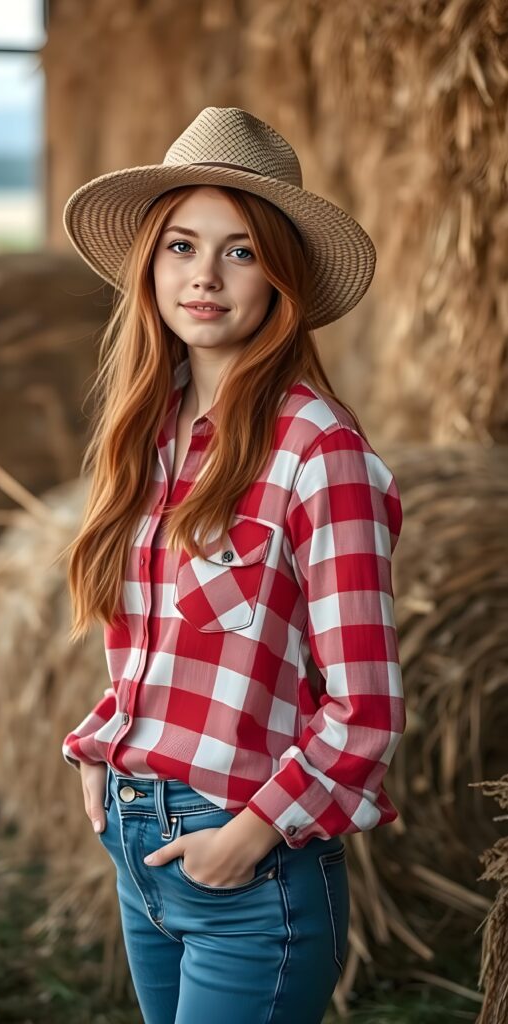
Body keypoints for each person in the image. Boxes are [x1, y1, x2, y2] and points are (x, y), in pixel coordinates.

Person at [59, 106, 406, 1024]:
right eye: (180, 245)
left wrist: (250, 834)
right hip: (142, 848)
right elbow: (168, 639)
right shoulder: (147, 434)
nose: (203, 276)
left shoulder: (315, 447)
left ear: (279, 280)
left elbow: (365, 705)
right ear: (150, 265)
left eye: (240, 251)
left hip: (248, 871)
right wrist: (104, 741)